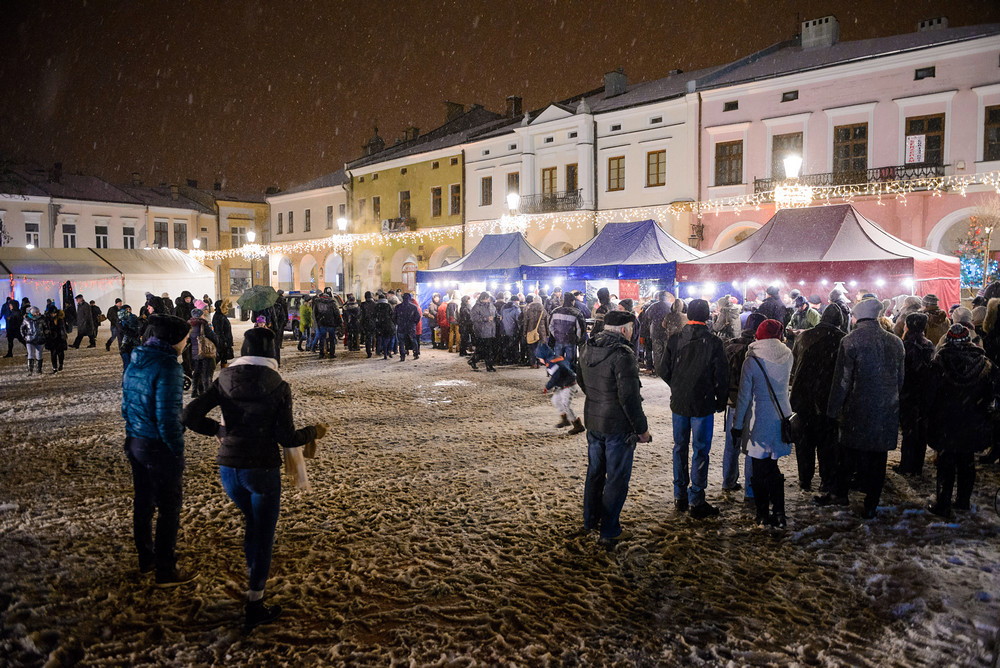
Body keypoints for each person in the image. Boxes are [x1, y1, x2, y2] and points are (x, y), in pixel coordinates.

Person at [182, 327, 327, 631]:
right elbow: (285, 436)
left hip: (229, 470)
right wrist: (312, 432)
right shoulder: (278, 385)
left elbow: (189, 415)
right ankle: (255, 601)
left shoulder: (223, 378)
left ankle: (253, 574)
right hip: (261, 469)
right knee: (263, 534)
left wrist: (218, 431)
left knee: (253, 523)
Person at [121, 314, 197, 587]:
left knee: (143, 503)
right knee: (169, 507)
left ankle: (146, 558)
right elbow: (167, 417)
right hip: (158, 447)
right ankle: (166, 569)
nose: (188, 342)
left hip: (136, 441)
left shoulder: (136, 361)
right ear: (174, 339)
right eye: (186, 338)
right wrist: (176, 448)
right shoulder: (169, 367)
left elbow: (125, 407)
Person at [821, 299, 905, 519]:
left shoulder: (851, 341)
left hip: (857, 409)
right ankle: (871, 502)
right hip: (886, 409)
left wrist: (833, 410)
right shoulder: (895, 342)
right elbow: (900, 378)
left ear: (857, 317)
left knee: (848, 453)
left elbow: (842, 380)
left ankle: (840, 492)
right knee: (878, 459)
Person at [576, 311, 651, 550]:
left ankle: (590, 520)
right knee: (616, 478)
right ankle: (609, 530)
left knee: (595, 473)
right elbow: (629, 398)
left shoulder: (588, 347)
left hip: (594, 420)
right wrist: (642, 429)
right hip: (618, 425)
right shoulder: (623, 354)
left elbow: (581, 380)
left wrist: (598, 399)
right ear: (625, 329)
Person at [660, 298, 728, 518]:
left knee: (680, 447)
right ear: (708, 316)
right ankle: (696, 498)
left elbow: (663, 370)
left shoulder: (675, 339)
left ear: (688, 316)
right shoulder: (714, 342)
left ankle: (679, 495)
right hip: (703, 403)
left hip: (680, 403)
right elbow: (722, 377)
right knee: (700, 450)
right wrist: (719, 399)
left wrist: (678, 385)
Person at [925, 324, 999, 518]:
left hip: (946, 422)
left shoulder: (939, 362)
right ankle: (963, 501)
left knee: (946, 462)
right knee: (967, 461)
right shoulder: (985, 364)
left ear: (947, 341)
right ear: (969, 341)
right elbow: (992, 393)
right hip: (972, 421)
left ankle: (943, 502)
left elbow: (930, 395)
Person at [731, 319, 793, 527]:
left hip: (759, 419)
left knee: (759, 468)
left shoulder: (752, 360)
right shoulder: (787, 355)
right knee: (773, 466)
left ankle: (761, 513)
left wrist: (737, 425)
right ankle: (779, 512)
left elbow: (744, 397)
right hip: (781, 416)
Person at [789, 305, 845, 494]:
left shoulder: (804, 336)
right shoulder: (841, 339)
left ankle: (805, 479)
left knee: (804, 443)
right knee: (827, 443)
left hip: (803, 396)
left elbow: (795, 363)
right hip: (827, 399)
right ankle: (826, 480)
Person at [722, 312, 767, 496]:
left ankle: (728, 481)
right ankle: (751, 487)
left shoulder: (731, 345)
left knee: (731, 443)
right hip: (751, 402)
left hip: (732, 400)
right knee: (751, 445)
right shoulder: (757, 349)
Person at [895, 313, 935, 477]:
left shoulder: (905, 345)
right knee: (921, 430)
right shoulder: (928, 344)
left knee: (909, 431)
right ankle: (917, 465)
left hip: (908, 393)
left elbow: (901, 371)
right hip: (924, 393)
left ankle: (906, 465)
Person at [536, 341, 584, 435]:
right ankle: (565, 419)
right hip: (563, 384)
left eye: (539, 358)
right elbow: (570, 366)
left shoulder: (552, 363)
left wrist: (547, 387)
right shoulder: (556, 358)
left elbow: (555, 377)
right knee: (555, 400)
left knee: (566, 404)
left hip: (569, 385)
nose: (539, 360)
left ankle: (578, 425)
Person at [187, 307, 219, 398]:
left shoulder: (189, 325)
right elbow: (213, 337)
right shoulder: (203, 324)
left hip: (195, 353)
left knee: (197, 372)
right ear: (201, 316)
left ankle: (194, 391)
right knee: (206, 373)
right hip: (205, 352)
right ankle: (207, 393)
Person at [550, 292, 587, 365]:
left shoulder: (555, 311)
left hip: (558, 340)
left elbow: (551, 326)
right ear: (572, 301)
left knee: (558, 360)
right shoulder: (576, 313)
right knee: (570, 361)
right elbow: (580, 329)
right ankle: (570, 375)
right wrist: (577, 338)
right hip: (571, 340)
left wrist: (556, 335)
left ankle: (559, 375)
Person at [468, 292, 497, 372]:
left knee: (482, 349)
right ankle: (489, 366)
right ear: (483, 298)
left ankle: (473, 361)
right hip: (482, 331)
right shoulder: (476, 307)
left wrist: (497, 317)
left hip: (491, 330)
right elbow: (474, 318)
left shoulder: (491, 306)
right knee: (487, 349)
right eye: (486, 298)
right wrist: (486, 318)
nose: (488, 300)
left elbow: (495, 314)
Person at [311, 292, 343, 359]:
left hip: (322, 323)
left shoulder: (318, 303)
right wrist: (339, 322)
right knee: (332, 339)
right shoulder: (332, 303)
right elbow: (336, 313)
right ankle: (332, 353)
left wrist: (317, 322)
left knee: (322, 339)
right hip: (331, 323)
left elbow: (315, 314)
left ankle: (321, 353)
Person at [521, 294, 549, 368]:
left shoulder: (528, 310)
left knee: (532, 348)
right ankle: (539, 362)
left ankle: (533, 363)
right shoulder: (543, 310)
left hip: (530, 331)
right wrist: (547, 333)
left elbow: (525, 323)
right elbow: (547, 322)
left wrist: (524, 332)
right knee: (540, 348)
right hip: (541, 332)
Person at [393, 293, 422, 361]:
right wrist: (414, 323)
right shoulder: (414, 307)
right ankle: (416, 353)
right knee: (413, 340)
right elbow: (418, 317)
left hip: (401, 327)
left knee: (401, 342)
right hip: (411, 327)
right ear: (410, 298)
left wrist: (398, 323)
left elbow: (394, 317)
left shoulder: (398, 307)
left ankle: (402, 355)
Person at [43, 303, 69, 373]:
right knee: (53, 353)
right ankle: (54, 367)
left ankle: (61, 364)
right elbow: (44, 327)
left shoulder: (61, 319)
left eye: (54, 313)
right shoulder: (47, 319)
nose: (53, 315)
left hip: (60, 338)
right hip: (51, 338)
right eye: (52, 313)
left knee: (60, 353)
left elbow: (65, 328)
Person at [21, 306, 46, 375]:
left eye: (38, 312)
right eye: (36, 312)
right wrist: (24, 336)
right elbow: (22, 328)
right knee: (30, 354)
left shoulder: (41, 319)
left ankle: (39, 369)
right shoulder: (26, 320)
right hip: (30, 340)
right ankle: (30, 369)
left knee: (39, 355)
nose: (38, 313)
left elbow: (46, 327)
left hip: (40, 339)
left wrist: (46, 334)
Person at [117, 304, 142, 372]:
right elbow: (136, 332)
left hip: (125, 346)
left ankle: (127, 381)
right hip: (131, 345)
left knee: (127, 366)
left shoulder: (120, 320)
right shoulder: (131, 318)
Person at [372, 292, 395, 359]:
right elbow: (392, 315)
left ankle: (382, 351)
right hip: (389, 324)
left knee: (381, 338)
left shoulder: (376, 306)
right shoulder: (388, 305)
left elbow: (374, 315)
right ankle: (389, 351)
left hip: (380, 325)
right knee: (391, 338)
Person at [359, 292, 378, 357]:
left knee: (368, 338)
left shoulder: (363, 304)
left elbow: (361, 315)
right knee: (374, 336)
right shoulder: (375, 304)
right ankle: (374, 348)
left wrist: (361, 324)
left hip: (366, 323)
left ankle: (368, 352)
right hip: (374, 322)